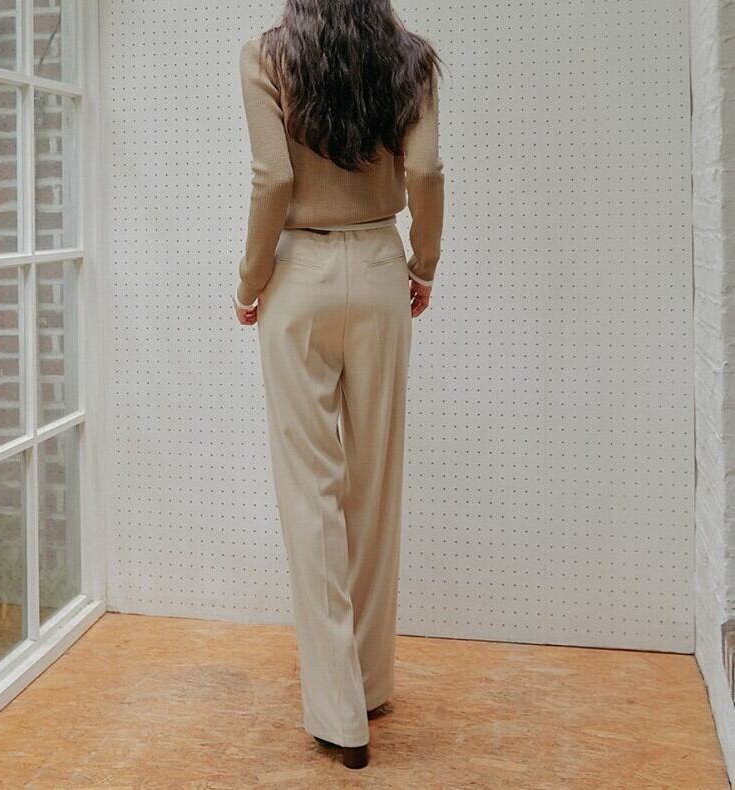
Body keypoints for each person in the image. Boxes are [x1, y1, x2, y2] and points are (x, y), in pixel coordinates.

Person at [232, 0, 444, 770]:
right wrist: (424, 263)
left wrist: (251, 279)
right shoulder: (412, 58)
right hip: (383, 270)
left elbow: (272, 179)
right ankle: (372, 681)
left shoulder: (267, 56)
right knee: (373, 482)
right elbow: (425, 172)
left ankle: (339, 714)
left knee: (311, 491)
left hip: (300, 277)